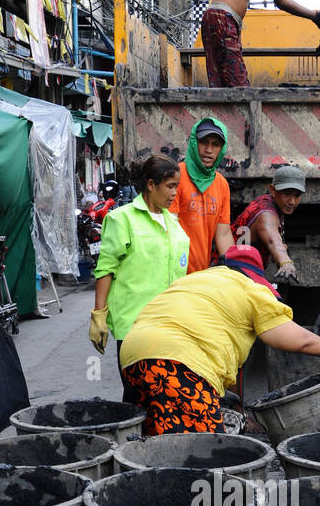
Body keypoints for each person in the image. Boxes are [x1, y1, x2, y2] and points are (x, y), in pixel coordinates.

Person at [119, 244, 320, 436]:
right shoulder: (252, 290)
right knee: (203, 452)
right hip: (176, 364)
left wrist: (232, 401)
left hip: (133, 355)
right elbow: (296, 339)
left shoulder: (195, 280)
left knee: (150, 444)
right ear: (255, 275)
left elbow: (221, 347)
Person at [92, 155, 190, 401]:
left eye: (176, 187)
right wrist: (98, 315)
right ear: (150, 185)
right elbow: (106, 269)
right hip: (134, 326)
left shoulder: (173, 222)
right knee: (138, 396)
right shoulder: (121, 219)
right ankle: (132, 438)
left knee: (165, 397)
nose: (174, 193)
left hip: (168, 323)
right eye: (170, 187)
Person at [169, 118, 233, 273]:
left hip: (200, 273)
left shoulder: (221, 184)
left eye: (215, 144)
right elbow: (169, 230)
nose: (209, 150)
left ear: (221, 149)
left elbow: (223, 235)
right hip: (173, 272)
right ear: (193, 142)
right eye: (204, 142)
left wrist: (235, 268)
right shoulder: (175, 176)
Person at [232, 164, 304, 281]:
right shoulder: (266, 214)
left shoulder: (271, 204)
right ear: (272, 190)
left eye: (297, 195)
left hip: (242, 273)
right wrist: (285, 262)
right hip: (235, 276)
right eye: (286, 194)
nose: (292, 201)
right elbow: (272, 240)